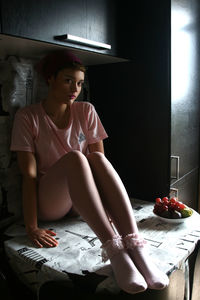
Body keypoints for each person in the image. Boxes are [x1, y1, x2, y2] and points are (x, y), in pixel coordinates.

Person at [10, 50, 169, 295]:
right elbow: (29, 176)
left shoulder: (86, 111)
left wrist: (111, 210)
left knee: (95, 157)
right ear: (50, 79)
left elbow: (99, 166)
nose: (75, 88)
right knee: (76, 157)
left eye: (80, 83)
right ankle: (115, 251)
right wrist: (31, 226)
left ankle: (135, 246)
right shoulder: (28, 117)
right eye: (68, 80)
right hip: (51, 202)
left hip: (81, 201)